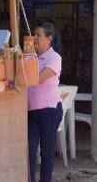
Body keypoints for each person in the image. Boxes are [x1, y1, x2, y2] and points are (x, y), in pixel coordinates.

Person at [28, 21, 62, 182]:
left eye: (38, 35)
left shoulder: (54, 58)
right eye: (33, 34)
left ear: (49, 39)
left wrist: (25, 64)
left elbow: (38, 78)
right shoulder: (31, 56)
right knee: (29, 150)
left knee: (46, 151)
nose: (34, 38)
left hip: (49, 110)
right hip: (30, 110)